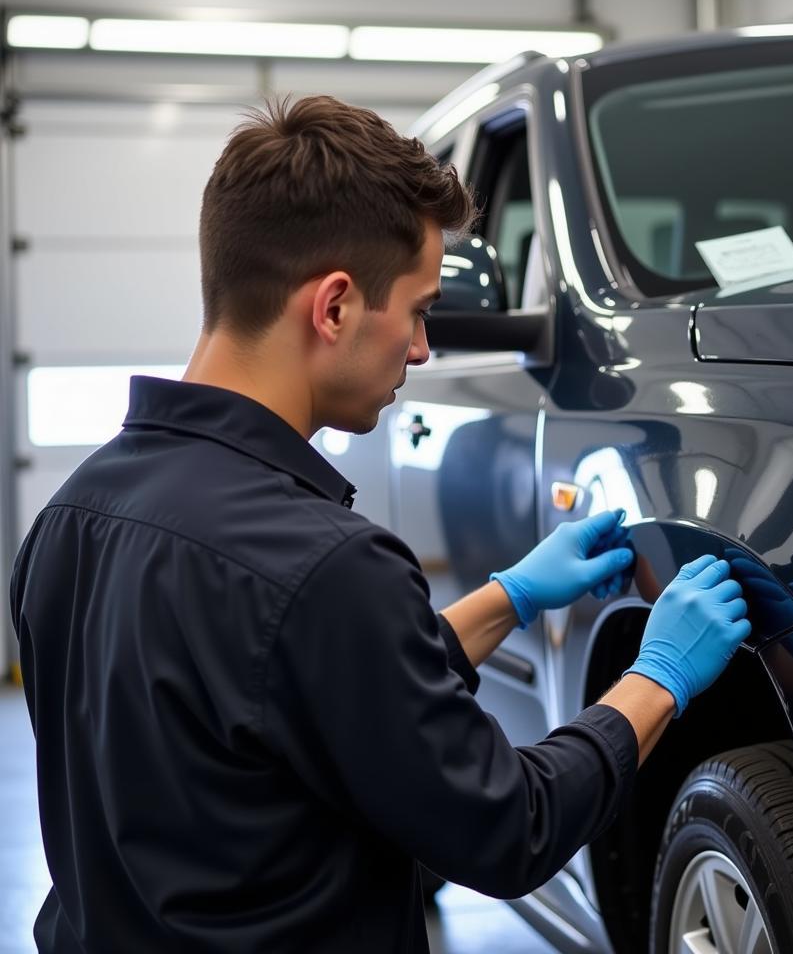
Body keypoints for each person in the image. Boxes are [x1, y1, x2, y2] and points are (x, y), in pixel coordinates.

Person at [9, 95, 750, 953]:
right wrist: (656, 679)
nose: (425, 348)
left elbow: (295, 695)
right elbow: (513, 826)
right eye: (420, 308)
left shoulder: (71, 516)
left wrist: (508, 597)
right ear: (332, 307)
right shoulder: (324, 565)